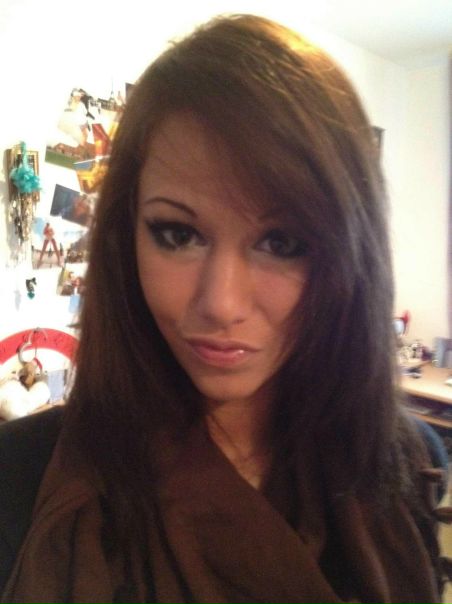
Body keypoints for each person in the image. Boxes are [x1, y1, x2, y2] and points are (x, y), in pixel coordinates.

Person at [0, 13, 450, 604]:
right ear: (125, 238)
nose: (221, 304)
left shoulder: (406, 462)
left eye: (282, 242)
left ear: (349, 258)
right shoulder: (18, 477)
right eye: (177, 234)